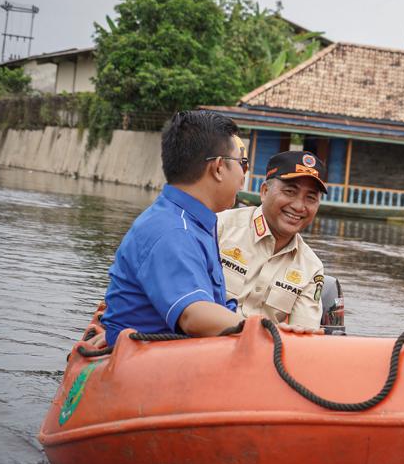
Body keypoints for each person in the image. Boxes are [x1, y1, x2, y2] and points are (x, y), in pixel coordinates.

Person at [100, 111, 248, 347]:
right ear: (219, 168)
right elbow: (194, 315)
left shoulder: (191, 222)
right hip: (148, 367)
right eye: (242, 164)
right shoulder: (174, 230)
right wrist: (262, 330)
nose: (243, 177)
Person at [217, 150, 327, 333]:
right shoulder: (220, 226)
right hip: (202, 345)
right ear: (265, 191)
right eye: (290, 191)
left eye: (311, 198)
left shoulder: (311, 267)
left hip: (263, 355)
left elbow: (304, 333)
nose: (299, 206)